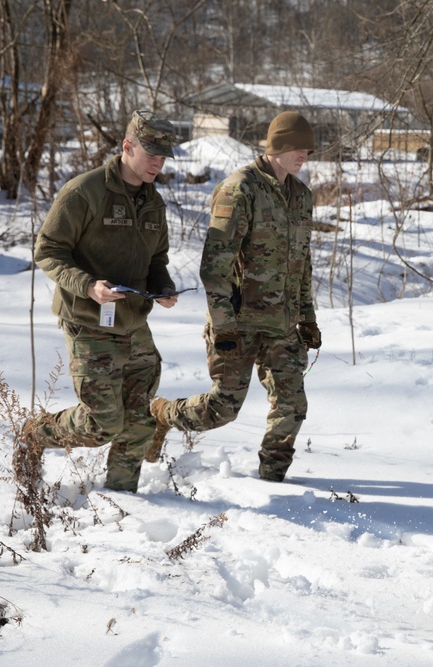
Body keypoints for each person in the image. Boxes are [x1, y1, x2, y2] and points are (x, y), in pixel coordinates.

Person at [149, 110, 320, 482]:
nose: (305, 154)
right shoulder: (240, 189)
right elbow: (215, 266)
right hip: (238, 324)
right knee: (222, 409)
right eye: (298, 146)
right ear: (277, 146)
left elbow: (302, 264)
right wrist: (223, 324)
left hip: (281, 325)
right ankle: (161, 413)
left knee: (292, 406)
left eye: (308, 147)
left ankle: (273, 480)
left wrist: (306, 317)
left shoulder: (301, 196)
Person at [17, 110, 180, 493]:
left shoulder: (153, 202)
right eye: (150, 153)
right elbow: (48, 250)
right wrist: (89, 286)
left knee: (139, 418)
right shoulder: (84, 191)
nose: (157, 163)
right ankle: (35, 433)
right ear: (127, 147)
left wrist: (163, 286)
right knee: (101, 424)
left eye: (163, 156)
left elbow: (157, 259)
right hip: (89, 319)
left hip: (133, 323)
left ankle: (123, 497)